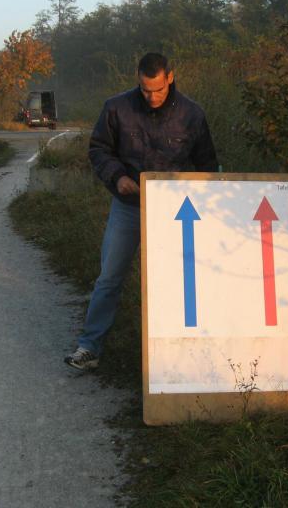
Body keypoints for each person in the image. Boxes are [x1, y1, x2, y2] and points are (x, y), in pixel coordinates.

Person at [64, 52, 219, 370]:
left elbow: (208, 165)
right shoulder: (116, 108)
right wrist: (117, 177)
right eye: (145, 90)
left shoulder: (192, 114)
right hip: (129, 209)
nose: (152, 97)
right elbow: (98, 149)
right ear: (138, 80)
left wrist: (214, 205)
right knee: (109, 277)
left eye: (158, 89)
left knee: (180, 281)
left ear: (170, 78)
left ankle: (180, 358)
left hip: (177, 214)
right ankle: (89, 348)